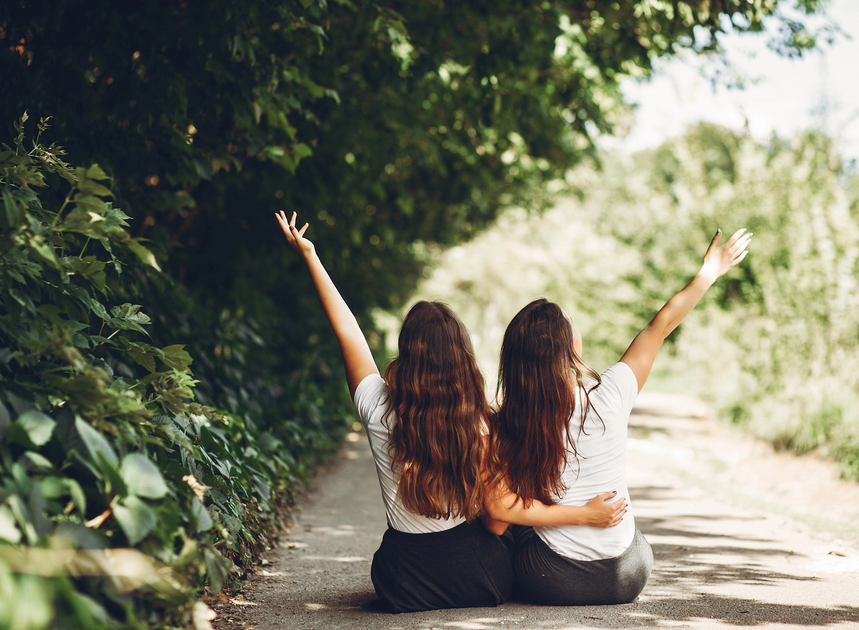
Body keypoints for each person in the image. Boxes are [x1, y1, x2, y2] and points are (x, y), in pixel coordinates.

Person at [275, 211, 628, 614]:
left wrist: (311, 257)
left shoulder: (377, 407)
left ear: (405, 354)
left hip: (402, 584)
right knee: (508, 532)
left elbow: (346, 330)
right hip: (479, 579)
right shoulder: (482, 422)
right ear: (464, 359)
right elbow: (497, 522)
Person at [485, 228, 753, 606]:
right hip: (629, 575)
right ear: (569, 345)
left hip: (553, 579)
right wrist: (709, 271)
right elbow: (659, 327)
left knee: (502, 528)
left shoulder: (508, 424)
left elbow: (498, 515)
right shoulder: (611, 394)